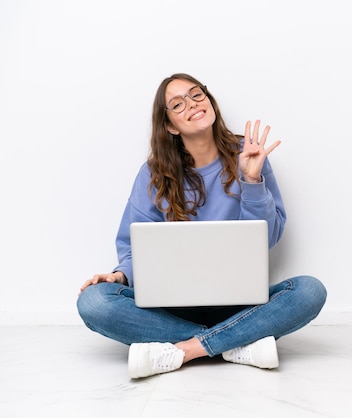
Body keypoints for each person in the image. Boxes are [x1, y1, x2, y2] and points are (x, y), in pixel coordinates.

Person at [76, 73, 327, 379]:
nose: (192, 104)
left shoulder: (246, 154)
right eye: (178, 104)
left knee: (310, 291)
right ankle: (237, 342)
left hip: (238, 302)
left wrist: (251, 180)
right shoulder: (153, 173)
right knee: (93, 301)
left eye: (197, 95)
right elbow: (135, 244)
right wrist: (118, 274)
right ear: (169, 125)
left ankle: (185, 349)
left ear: (209, 101)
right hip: (171, 305)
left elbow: (268, 238)